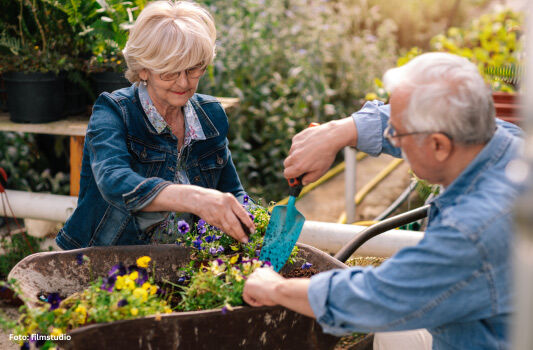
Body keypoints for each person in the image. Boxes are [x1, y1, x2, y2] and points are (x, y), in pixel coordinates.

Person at [243, 52, 524, 349]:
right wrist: (340, 131)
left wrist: (275, 288)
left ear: (439, 144)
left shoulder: (473, 231)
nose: (393, 139)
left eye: (397, 133)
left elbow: (377, 297)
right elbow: (406, 120)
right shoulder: (504, 142)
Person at [56, 1, 254, 250]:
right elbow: (113, 180)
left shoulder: (210, 115)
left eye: (193, 69)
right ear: (143, 70)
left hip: (178, 267)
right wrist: (195, 198)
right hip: (105, 263)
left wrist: (258, 225)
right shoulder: (114, 111)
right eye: (169, 72)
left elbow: (233, 191)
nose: (183, 82)